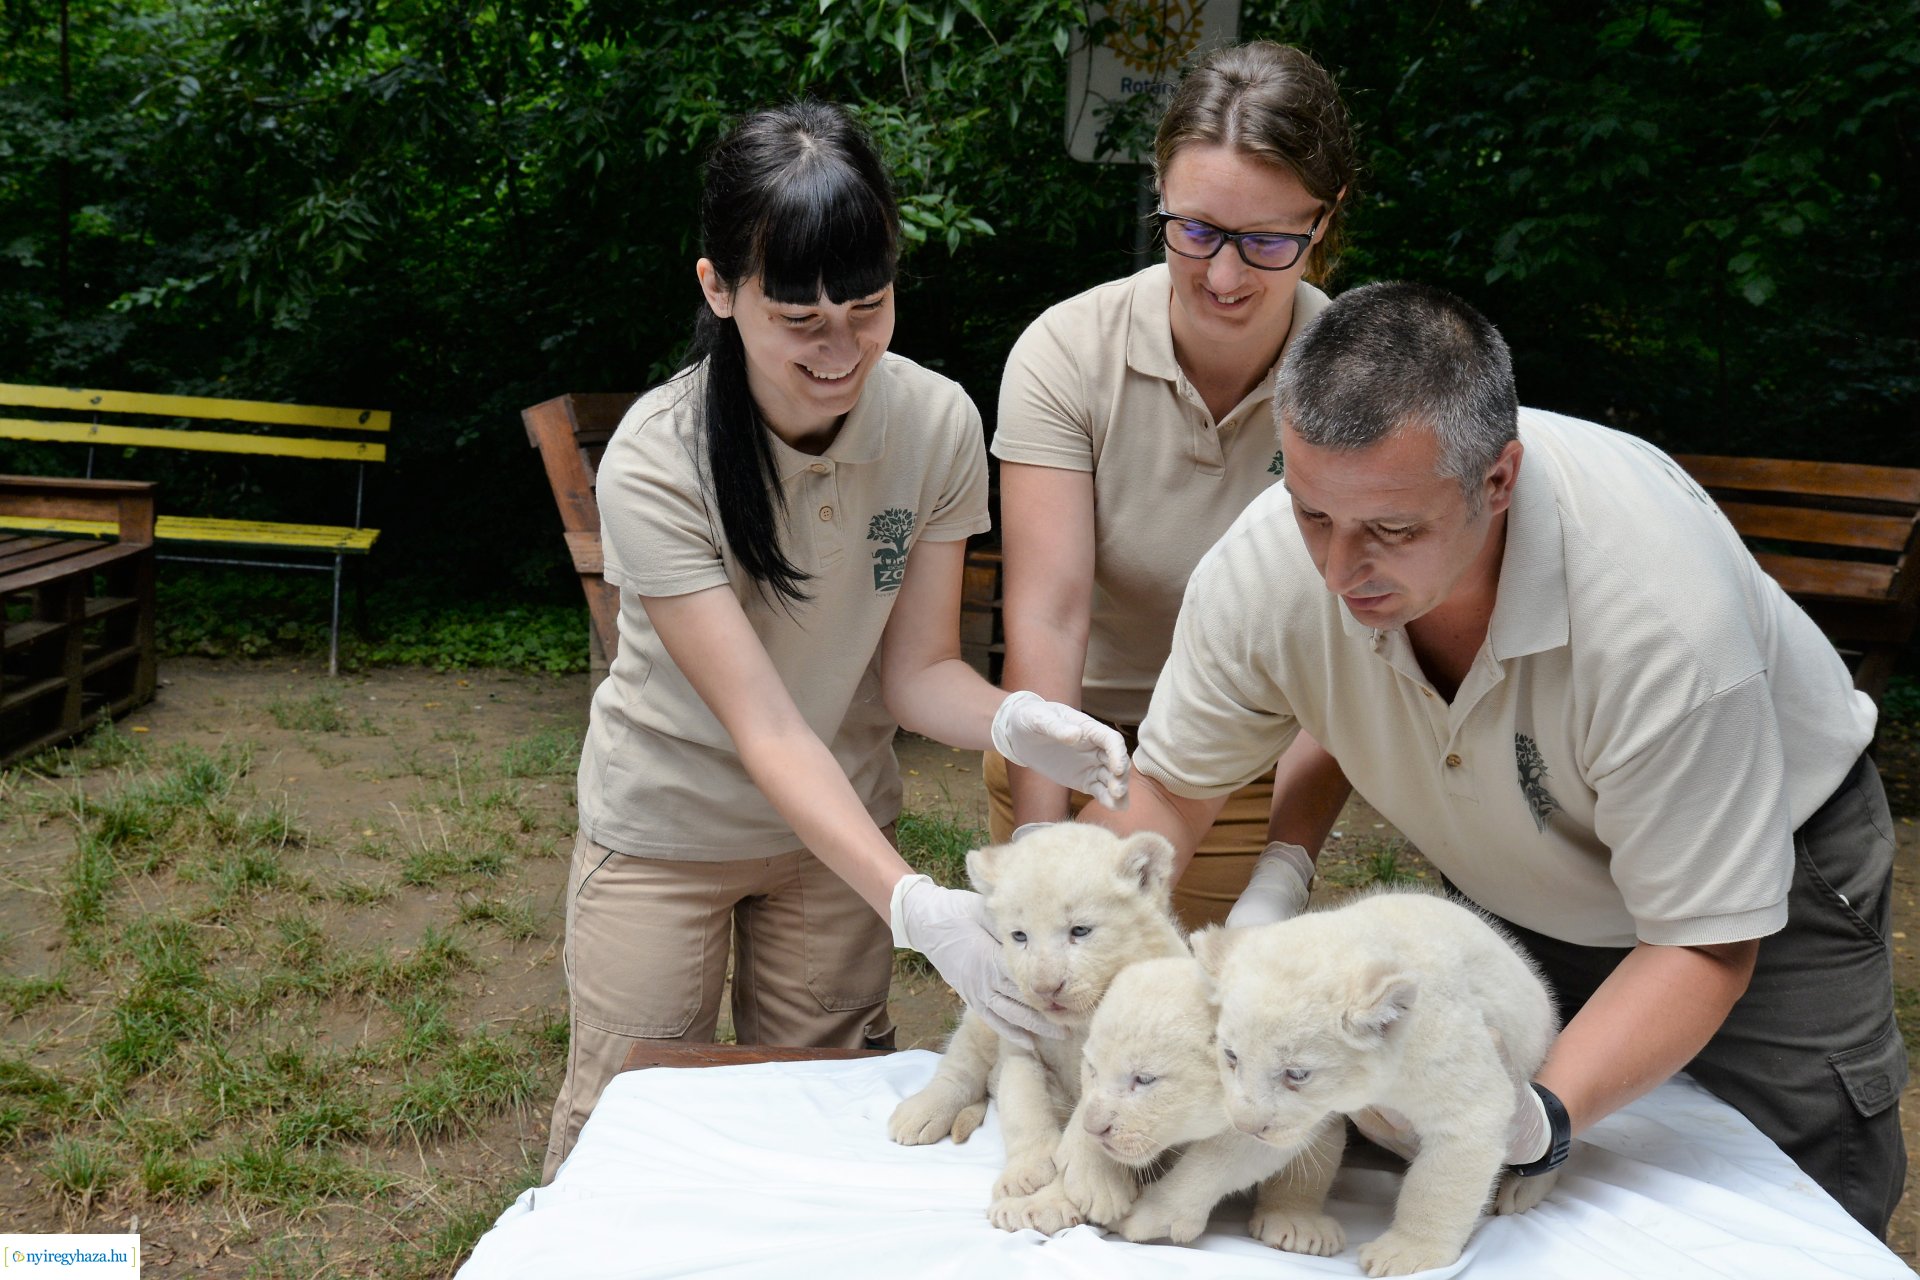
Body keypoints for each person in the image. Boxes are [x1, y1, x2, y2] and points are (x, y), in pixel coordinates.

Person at [1088, 279, 1906, 1235]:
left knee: (1781, 1210)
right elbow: (1169, 795)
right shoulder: (1267, 564)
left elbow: (1705, 941)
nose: (1338, 568)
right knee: (1450, 1193)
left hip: (1760, 889)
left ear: (1498, 480)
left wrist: (1538, 1118)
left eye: (1391, 531)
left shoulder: (1662, 623)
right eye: (1314, 513)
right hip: (1506, 886)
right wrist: (1078, 945)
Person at [542, 100, 1130, 1181]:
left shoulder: (937, 422)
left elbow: (914, 674)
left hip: (834, 837)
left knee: (820, 1111)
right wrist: (914, 901)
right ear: (719, 289)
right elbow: (765, 723)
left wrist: (1012, 717)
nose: (841, 349)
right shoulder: (655, 460)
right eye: (800, 318)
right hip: (667, 829)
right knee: (631, 1116)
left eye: (868, 308)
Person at [989, 41, 1357, 929]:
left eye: (1267, 241)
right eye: (1195, 231)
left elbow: (1356, 650)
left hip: (1255, 765)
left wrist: (1286, 862)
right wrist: (1043, 845)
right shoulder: (1065, 351)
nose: (1224, 277)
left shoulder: (1359, 372)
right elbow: (1049, 615)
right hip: (1078, 743)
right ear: (1160, 197)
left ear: (1325, 220)